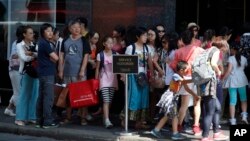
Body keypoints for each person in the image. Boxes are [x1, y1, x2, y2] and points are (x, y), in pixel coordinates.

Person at [58, 18, 91, 125]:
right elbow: (62, 55)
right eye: (74, 27)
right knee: (68, 95)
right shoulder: (65, 40)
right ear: (70, 29)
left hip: (79, 73)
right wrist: (60, 70)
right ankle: (68, 117)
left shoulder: (84, 40)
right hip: (67, 72)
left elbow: (86, 56)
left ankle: (83, 117)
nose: (77, 29)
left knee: (82, 96)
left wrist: (82, 70)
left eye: (78, 27)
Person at [170, 30, 203, 135]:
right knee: (197, 103)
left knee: (183, 105)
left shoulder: (178, 52)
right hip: (197, 77)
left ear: (182, 40)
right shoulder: (200, 50)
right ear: (192, 39)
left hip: (184, 78)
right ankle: (196, 126)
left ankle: (179, 125)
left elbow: (173, 66)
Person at [120, 26, 154, 129]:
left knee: (143, 99)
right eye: (143, 35)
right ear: (137, 36)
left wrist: (151, 75)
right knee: (133, 98)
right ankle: (124, 119)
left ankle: (139, 122)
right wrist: (124, 77)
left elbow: (150, 62)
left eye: (146, 35)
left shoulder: (147, 48)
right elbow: (125, 63)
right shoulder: (131, 48)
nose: (145, 37)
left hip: (143, 77)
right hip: (133, 77)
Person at [151, 61, 194, 140]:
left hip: (173, 98)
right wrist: (193, 79)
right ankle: (174, 133)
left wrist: (194, 95)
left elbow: (186, 88)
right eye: (187, 70)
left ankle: (156, 130)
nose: (188, 71)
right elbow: (183, 82)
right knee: (174, 115)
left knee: (168, 115)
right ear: (181, 70)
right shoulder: (176, 76)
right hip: (170, 98)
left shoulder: (181, 77)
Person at [198, 45, 229, 141]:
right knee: (210, 112)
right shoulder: (215, 51)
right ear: (221, 47)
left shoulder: (205, 52)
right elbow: (213, 63)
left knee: (217, 108)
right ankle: (205, 136)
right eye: (225, 47)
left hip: (204, 83)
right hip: (210, 84)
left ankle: (216, 132)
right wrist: (219, 72)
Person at [36, 23, 59, 128]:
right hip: (48, 73)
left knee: (41, 97)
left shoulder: (42, 42)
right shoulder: (45, 43)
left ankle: (39, 120)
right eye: (48, 31)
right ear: (43, 32)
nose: (51, 33)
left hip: (42, 73)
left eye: (51, 31)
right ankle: (47, 121)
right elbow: (56, 58)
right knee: (48, 98)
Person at [15, 25, 39, 126]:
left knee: (34, 95)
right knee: (23, 95)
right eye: (30, 33)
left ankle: (31, 117)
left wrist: (31, 54)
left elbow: (39, 54)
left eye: (32, 33)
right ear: (24, 34)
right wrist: (33, 55)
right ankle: (19, 118)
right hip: (25, 72)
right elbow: (23, 58)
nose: (32, 34)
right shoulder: (19, 45)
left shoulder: (34, 44)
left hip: (35, 72)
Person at [222, 44, 248, 125]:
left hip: (232, 81)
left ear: (234, 50)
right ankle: (244, 117)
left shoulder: (231, 58)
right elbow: (244, 67)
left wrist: (223, 79)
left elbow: (229, 70)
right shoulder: (244, 58)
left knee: (233, 101)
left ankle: (233, 120)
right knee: (243, 99)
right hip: (242, 80)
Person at [95, 35, 118, 128]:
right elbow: (97, 69)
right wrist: (96, 81)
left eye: (112, 42)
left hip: (113, 79)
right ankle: (107, 120)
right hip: (103, 78)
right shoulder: (100, 54)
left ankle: (105, 117)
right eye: (108, 42)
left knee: (110, 99)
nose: (110, 44)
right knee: (106, 99)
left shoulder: (116, 54)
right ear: (104, 43)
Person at [4, 25, 24, 117]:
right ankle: (20, 113)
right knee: (18, 92)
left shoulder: (18, 43)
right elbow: (13, 56)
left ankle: (9, 109)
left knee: (17, 91)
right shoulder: (17, 43)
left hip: (18, 71)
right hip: (15, 70)